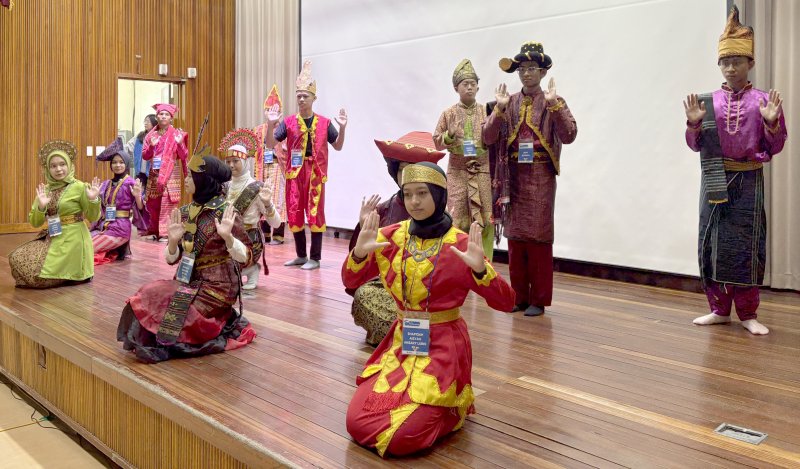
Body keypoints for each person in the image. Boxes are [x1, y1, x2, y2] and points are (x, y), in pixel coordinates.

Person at [342, 162, 515, 457]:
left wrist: (480, 271)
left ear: (439, 194)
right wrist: (358, 251)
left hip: (443, 349)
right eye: (407, 194)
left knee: (402, 438)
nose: (415, 202)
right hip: (399, 346)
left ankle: (451, 410)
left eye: (422, 193)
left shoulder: (460, 244)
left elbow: (507, 302)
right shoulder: (392, 236)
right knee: (356, 422)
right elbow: (351, 280)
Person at [683, 6, 786, 336]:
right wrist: (694, 124)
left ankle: (747, 313)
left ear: (750, 63)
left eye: (737, 61)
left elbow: (777, 145)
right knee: (711, 241)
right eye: (725, 62)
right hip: (714, 177)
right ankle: (718, 309)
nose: (730, 68)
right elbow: (694, 144)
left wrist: (772, 123)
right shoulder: (708, 101)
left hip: (749, 178)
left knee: (746, 244)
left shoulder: (762, 101)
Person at [117, 152, 257, 363]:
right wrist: (173, 242)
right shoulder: (184, 212)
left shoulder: (226, 212)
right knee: (150, 293)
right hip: (188, 280)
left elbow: (247, 257)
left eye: (191, 176)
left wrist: (228, 238)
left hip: (218, 287)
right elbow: (172, 259)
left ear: (204, 180)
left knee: (178, 311)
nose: (186, 180)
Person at [484, 41, 577, 317]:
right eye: (522, 69)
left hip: (540, 175)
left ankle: (538, 298)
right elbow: (487, 138)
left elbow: (570, 135)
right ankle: (519, 296)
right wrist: (498, 112)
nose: (526, 74)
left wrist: (554, 107)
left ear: (543, 72)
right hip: (511, 176)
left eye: (532, 68)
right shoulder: (507, 102)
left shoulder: (553, 102)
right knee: (514, 237)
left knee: (538, 237)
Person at [347, 131, 445, 346]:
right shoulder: (382, 210)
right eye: (403, 170)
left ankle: (403, 338)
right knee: (364, 297)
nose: (407, 176)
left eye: (414, 170)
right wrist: (364, 227)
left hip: (425, 292)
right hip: (388, 288)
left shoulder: (441, 216)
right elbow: (357, 273)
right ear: (395, 172)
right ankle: (410, 338)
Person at [264, 60, 348, 270]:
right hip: (294, 173)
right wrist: (271, 124)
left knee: (315, 213)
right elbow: (270, 143)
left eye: (305, 96)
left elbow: (337, 146)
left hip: (315, 173)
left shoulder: (325, 123)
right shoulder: (289, 122)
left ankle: (315, 258)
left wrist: (343, 128)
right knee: (294, 211)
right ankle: (301, 255)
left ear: (314, 98)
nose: (301, 99)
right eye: (299, 96)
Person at [9, 140, 101, 288]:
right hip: (53, 237)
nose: (58, 169)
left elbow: (93, 217)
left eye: (62, 164)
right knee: (16, 258)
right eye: (53, 166)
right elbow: (35, 222)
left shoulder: (79, 187)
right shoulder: (45, 190)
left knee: (36, 276)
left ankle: (75, 272)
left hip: (73, 240)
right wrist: (41, 206)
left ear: (69, 165)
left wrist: (93, 199)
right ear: (47, 169)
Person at [433, 59, 494, 259]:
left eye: (473, 83)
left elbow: (496, 138)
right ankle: (455, 265)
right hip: (457, 172)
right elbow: (437, 143)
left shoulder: (487, 111)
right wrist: (449, 135)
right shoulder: (448, 113)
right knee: (456, 218)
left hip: (482, 171)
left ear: (478, 86)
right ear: (456, 88)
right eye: (465, 83)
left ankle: (484, 266)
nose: (469, 87)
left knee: (485, 218)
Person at [220, 128, 281, 290]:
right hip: (227, 235)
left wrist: (267, 204)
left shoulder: (256, 188)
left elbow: (276, 223)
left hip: (248, 238)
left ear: (245, 161)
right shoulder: (224, 186)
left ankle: (251, 269)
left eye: (236, 161)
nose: (231, 165)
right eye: (228, 161)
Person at [90, 137, 150, 265]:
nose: (117, 165)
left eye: (121, 162)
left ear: (127, 164)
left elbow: (140, 209)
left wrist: (138, 196)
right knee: (80, 242)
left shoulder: (131, 183)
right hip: (104, 226)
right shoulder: (106, 184)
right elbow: (98, 207)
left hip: (120, 229)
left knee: (86, 248)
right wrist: (93, 198)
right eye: (114, 162)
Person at [141, 103, 189, 240]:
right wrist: (151, 147)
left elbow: (184, 155)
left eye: (166, 114)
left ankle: (166, 233)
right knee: (153, 202)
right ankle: (154, 231)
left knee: (168, 202)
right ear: (157, 116)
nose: (163, 116)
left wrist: (180, 143)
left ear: (171, 118)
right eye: (161, 114)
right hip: (155, 172)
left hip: (170, 173)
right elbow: (145, 156)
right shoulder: (151, 135)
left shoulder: (177, 134)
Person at [253, 84, 288, 245]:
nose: (270, 113)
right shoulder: (258, 129)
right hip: (262, 168)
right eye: (268, 110)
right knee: (262, 198)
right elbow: (254, 148)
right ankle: (265, 233)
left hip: (278, 167)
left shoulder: (284, 128)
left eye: (274, 110)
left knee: (277, 200)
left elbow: (288, 149)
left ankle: (278, 235)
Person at [128, 114, 157, 189]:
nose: (145, 123)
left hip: (152, 173)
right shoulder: (140, 135)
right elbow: (129, 147)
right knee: (138, 193)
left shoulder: (158, 136)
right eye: (145, 121)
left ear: (154, 122)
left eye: (148, 121)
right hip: (139, 172)